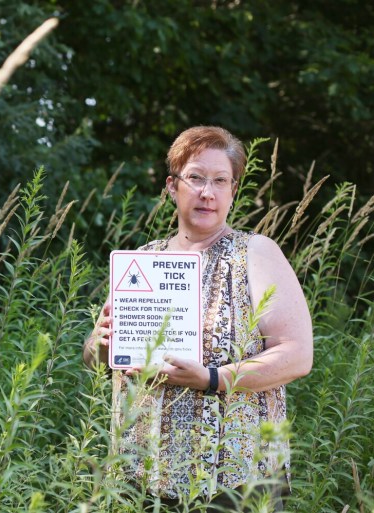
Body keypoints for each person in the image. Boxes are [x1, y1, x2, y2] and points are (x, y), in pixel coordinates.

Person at [83, 126, 313, 511]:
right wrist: (100, 344)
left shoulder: (254, 253)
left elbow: (297, 355)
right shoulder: (144, 260)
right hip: (142, 475)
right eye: (195, 178)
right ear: (172, 187)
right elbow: (98, 359)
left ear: (233, 191)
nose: (208, 192)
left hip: (235, 479)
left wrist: (211, 378)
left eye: (220, 180)